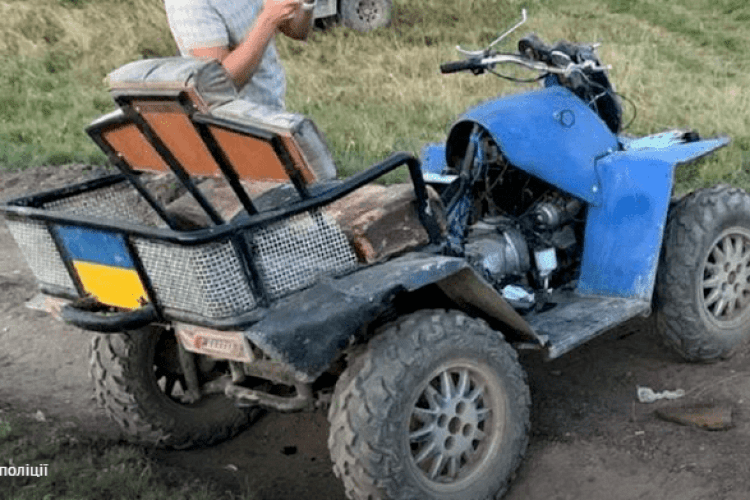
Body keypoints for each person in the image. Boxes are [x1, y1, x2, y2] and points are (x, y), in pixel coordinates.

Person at [165, 0, 316, 110]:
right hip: (235, 128)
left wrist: (307, 3)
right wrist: (268, 20)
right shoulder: (187, 4)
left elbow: (297, 32)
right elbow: (218, 86)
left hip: (272, 110)